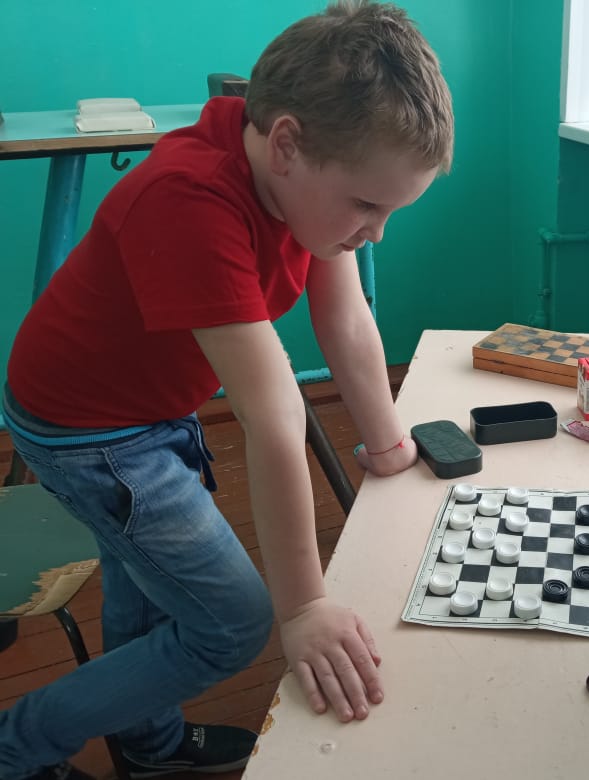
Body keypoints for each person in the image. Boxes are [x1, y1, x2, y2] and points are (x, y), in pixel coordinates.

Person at [0, 2, 453, 778]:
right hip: (89, 433)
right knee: (232, 624)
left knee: (149, 594)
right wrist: (303, 607)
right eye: (367, 205)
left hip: (142, 408)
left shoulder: (298, 176)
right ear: (287, 145)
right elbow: (274, 414)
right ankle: (16, 747)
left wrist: (388, 448)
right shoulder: (189, 199)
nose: (376, 231)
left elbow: (346, 319)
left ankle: (150, 748)